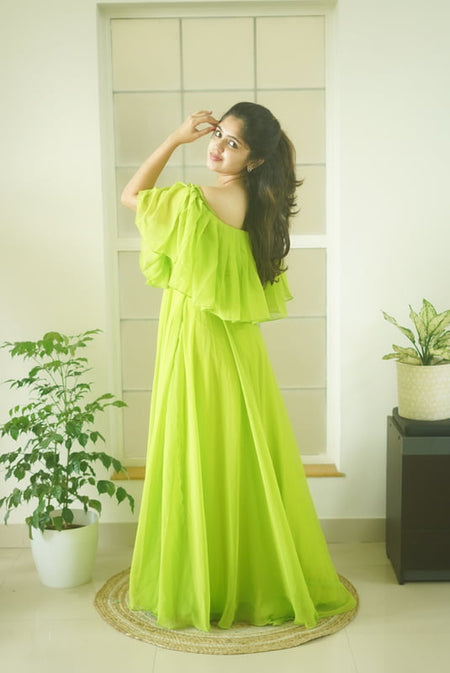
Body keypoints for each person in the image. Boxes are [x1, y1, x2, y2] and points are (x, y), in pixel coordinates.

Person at [121, 102, 356, 631]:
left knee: (197, 448)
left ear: (253, 160)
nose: (217, 148)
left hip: (197, 338)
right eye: (218, 135)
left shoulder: (200, 199)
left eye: (233, 144)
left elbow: (131, 196)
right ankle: (244, 573)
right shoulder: (258, 205)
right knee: (240, 450)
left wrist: (176, 138)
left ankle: (207, 579)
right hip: (237, 346)